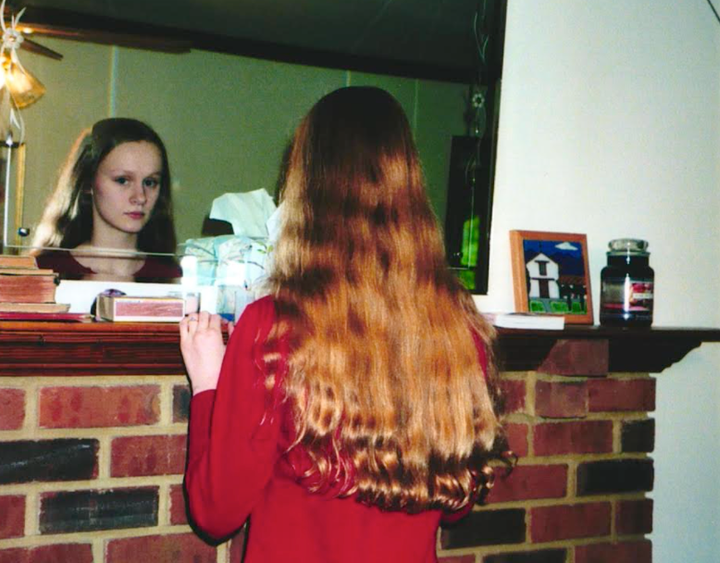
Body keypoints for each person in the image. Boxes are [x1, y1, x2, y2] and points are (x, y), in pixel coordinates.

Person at [179, 87, 506, 562]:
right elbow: (454, 509)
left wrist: (208, 385)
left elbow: (214, 513)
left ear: (307, 188)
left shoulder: (273, 326)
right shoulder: (458, 327)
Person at [30, 118, 181, 282]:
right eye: (122, 180)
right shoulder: (44, 270)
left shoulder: (170, 276)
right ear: (88, 183)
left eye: (150, 182)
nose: (140, 197)